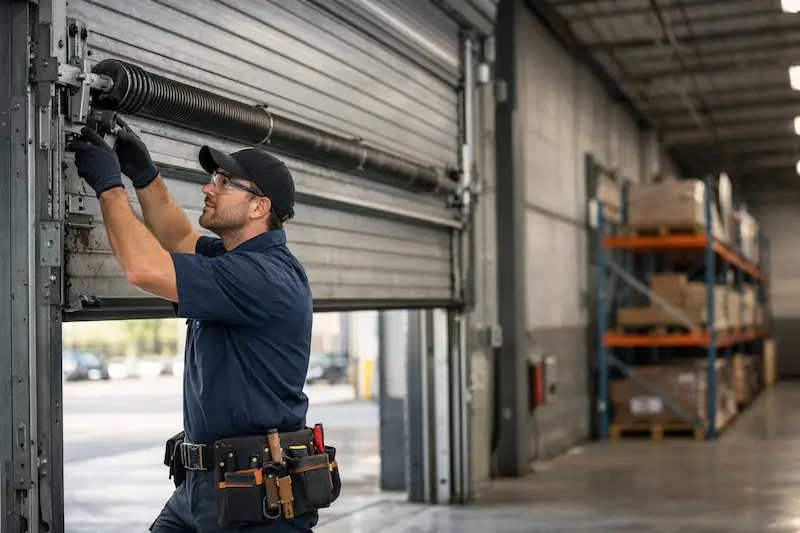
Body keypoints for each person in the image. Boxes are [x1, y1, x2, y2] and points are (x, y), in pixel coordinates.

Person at [68, 126, 318, 533]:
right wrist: (146, 176)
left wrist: (109, 186)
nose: (208, 188)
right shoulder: (236, 259)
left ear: (259, 207)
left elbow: (144, 268)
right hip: (203, 486)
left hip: (255, 499)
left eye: (224, 182)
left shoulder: (262, 278)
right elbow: (179, 237)